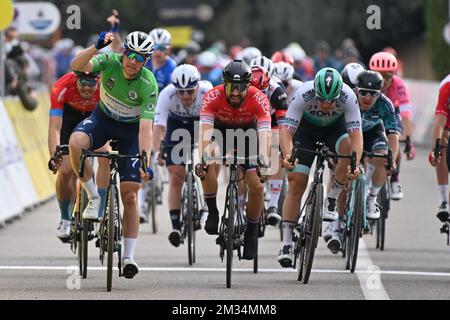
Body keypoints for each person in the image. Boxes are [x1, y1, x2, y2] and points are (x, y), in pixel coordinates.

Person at [69, 31, 157, 279]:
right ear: (123, 52)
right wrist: (96, 47)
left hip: (131, 131)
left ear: (146, 61)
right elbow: (76, 66)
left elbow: (145, 129)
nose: (132, 62)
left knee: (130, 195)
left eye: (139, 58)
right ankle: (93, 196)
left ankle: (128, 257)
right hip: (103, 120)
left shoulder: (149, 84)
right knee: (76, 143)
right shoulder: (110, 62)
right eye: (130, 54)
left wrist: (145, 162)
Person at [277, 68, 363, 267]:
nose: (326, 104)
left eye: (332, 100)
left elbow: (357, 137)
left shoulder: (349, 96)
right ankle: (287, 243)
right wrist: (288, 155)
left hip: (335, 130)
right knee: (297, 183)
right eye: (322, 99)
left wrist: (355, 164)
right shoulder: (303, 94)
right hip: (305, 131)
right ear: (314, 92)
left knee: (348, 151)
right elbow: (286, 132)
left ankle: (332, 197)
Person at [197, 60, 272, 260]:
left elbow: (265, 134)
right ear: (224, 84)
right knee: (208, 159)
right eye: (231, 87)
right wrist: (204, 159)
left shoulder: (259, 98)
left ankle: (251, 234)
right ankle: (212, 211)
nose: (236, 93)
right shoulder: (212, 95)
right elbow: (205, 132)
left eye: (240, 88)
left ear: (249, 86)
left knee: (256, 186)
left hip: (248, 134)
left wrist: (263, 162)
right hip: (220, 131)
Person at [152, 64, 213, 247]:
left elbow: (216, 124)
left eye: (189, 91)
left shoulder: (207, 92)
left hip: (202, 124)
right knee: (176, 176)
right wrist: (157, 152)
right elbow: (158, 127)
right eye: (181, 92)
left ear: (197, 87)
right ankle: (176, 226)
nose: (185, 96)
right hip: (176, 126)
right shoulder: (166, 95)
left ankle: (208, 207)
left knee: (209, 164)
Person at [48, 70, 109, 242]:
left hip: (95, 118)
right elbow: (55, 127)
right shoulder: (61, 86)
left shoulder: (106, 86)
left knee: (105, 156)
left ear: (98, 80)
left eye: (92, 83)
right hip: (70, 118)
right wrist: (54, 155)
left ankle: (100, 210)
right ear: (76, 79)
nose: (87, 88)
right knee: (66, 171)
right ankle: (65, 218)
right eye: (83, 82)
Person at [369, 52, 415, 201]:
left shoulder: (399, 85)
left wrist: (408, 141)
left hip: (393, 112)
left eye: (388, 76)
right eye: (379, 75)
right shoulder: (367, 81)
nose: (384, 80)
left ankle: (395, 180)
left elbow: (406, 114)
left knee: (394, 138)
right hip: (372, 112)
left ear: (394, 75)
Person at [250, 65, 289, 226]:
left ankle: (273, 204)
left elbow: (282, 127)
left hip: (271, 120)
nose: (260, 96)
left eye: (262, 91)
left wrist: (282, 148)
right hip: (248, 119)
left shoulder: (276, 91)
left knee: (275, 149)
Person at [429, 74, 450, 223]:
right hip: (448, 117)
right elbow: (439, 123)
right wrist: (435, 150)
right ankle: (444, 200)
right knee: (443, 141)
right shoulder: (447, 87)